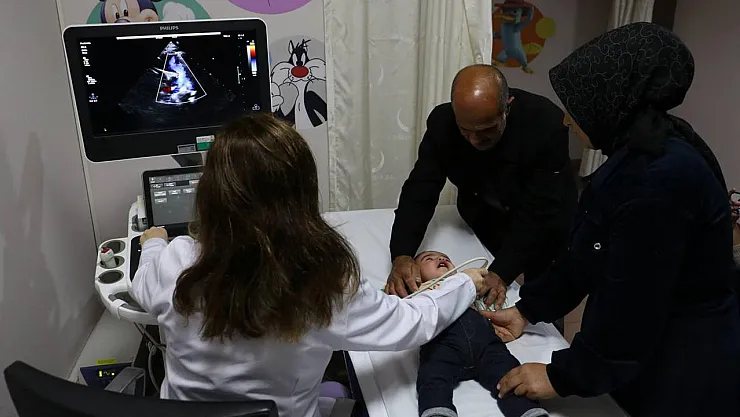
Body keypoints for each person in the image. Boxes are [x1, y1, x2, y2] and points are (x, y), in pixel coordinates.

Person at [130, 113, 491, 417]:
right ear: (302, 192)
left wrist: (153, 243)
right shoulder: (324, 282)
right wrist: (464, 283)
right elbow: (410, 323)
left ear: (210, 193)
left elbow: (141, 285)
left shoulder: (176, 261)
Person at [484, 23, 740, 416]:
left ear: (609, 100)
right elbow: (586, 252)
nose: (567, 121)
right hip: (651, 346)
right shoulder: (634, 155)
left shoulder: (658, 179)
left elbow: (632, 306)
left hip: (685, 364)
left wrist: (561, 376)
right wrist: (527, 310)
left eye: (575, 108)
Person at [386, 64, 578, 311]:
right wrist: (402, 253)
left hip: (546, 218)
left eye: (487, 130)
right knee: (491, 283)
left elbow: (540, 211)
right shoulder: (442, 123)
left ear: (507, 106)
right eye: (465, 130)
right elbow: (420, 190)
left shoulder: (546, 123)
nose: (475, 140)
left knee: (543, 297)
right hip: (486, 212)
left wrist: (502, 272)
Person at [414, 251, 548, 417]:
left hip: (486, 345)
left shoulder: (468, 284)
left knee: (510, 374)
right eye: (429, 259)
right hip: (443, 346)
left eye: (445, 258)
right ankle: (438, 411)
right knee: (432, 376)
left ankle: (527, 410)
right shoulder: (419, 292)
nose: (440, 258)